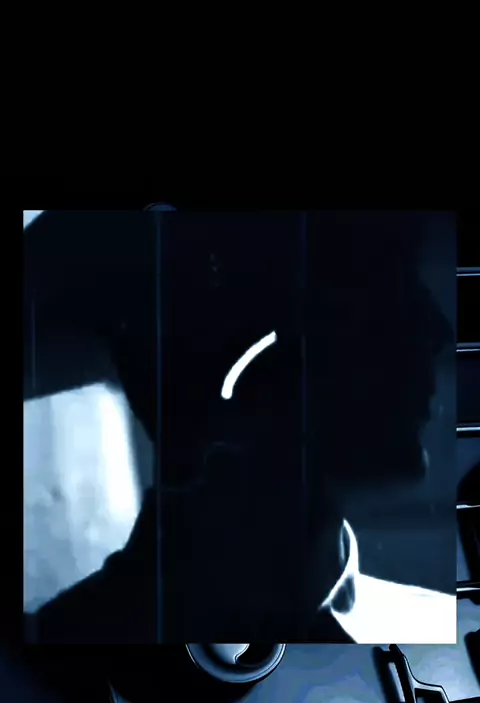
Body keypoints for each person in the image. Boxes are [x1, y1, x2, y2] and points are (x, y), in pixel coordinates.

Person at [25, 210, 457, 643]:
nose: (436, 330)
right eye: (383, 289)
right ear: (244, 364)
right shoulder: (42, 667)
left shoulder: (440, 631)